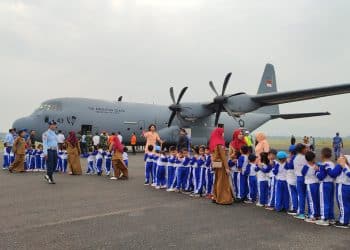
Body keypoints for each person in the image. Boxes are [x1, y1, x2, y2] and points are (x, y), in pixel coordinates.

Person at [209, 127, 233, 205]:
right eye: (222, 132)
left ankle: (215, 197)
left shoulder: (213, 142)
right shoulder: (220, 143)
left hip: (216, 163)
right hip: (222, 164)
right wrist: (227, 167)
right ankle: (222, 198)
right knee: (222, 181)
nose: (223, 134)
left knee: (217, 180)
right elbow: (223, 157)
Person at [315, 147, 335, 226]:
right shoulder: (332, 163)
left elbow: (321, 177)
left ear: (322, 155)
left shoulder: (324, 165)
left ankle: (324, 219)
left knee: (324, 202)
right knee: (330, 201)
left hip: (324, 184)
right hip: (331, 184)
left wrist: (317, 170)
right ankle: (331, 218)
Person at [301, 151, 320, 223]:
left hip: (310, 184)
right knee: (316, 200)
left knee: (311, 201)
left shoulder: (306, 166)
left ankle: (313, 215)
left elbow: (302, 173)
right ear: (313, 158)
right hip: (317, 184)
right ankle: (317, 214)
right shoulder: (317, 165)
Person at [293, 143, 308, 220]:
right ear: (302, 149)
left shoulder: (295, 158)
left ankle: (301, 212)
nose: (306, 149)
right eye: (305, 148)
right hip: (305, 177)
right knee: (304, 195)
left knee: (301, 195)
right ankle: (305, 212)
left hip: (299, 177)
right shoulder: (305, 157)